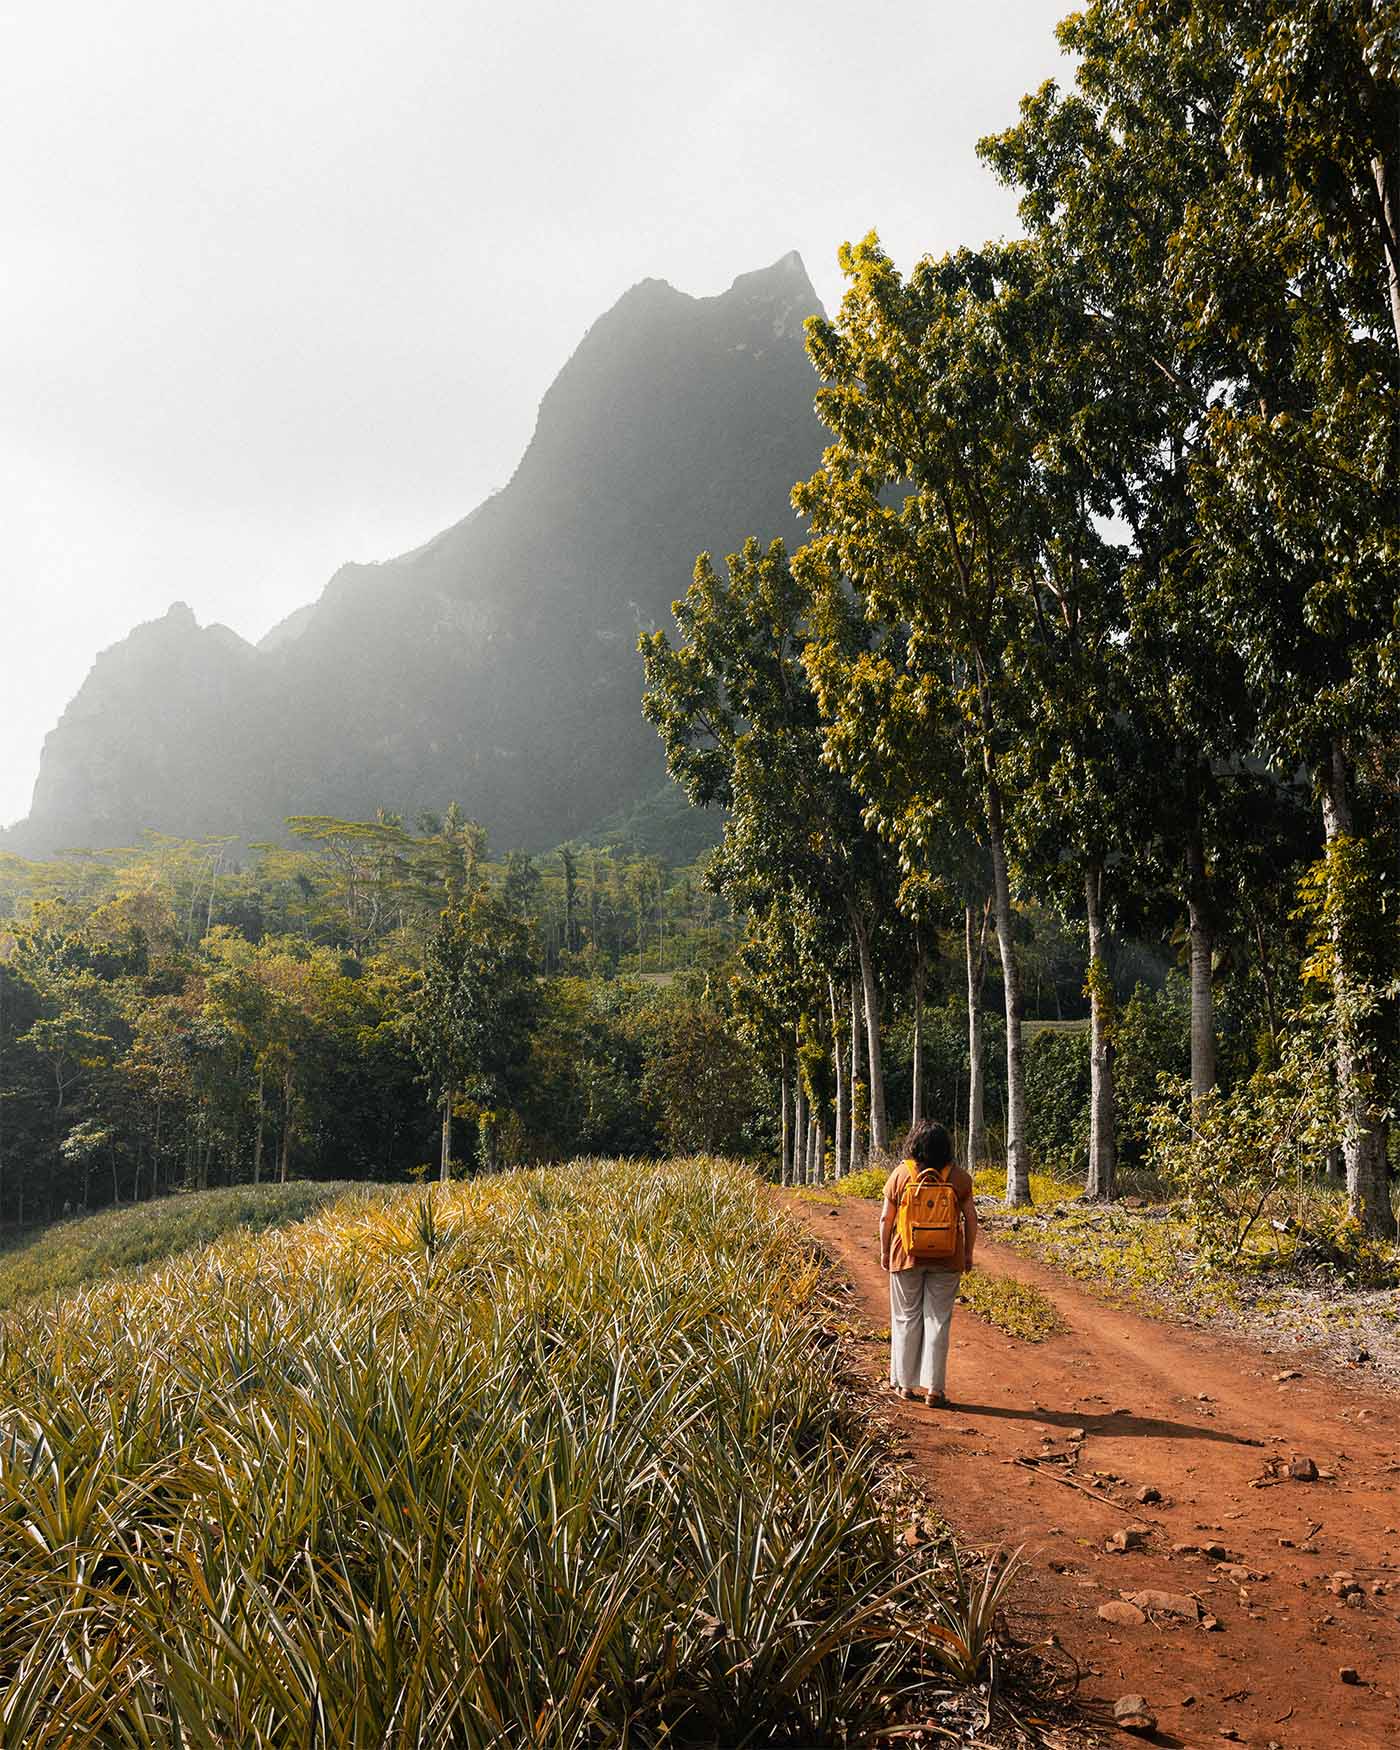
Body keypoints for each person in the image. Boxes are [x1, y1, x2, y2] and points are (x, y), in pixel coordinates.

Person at [878, 1120, 977, 1407]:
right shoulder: (958, 1177)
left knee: (906, 1318)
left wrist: (885, 1251)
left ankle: (905, 1386)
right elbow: (971, 1218)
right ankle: (934, 1390)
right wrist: (967, 1253)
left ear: (913, 1145)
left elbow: (886, 1218)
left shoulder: (901, 1174)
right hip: (947, 1258)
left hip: (905, 1255)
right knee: (938, 1320)